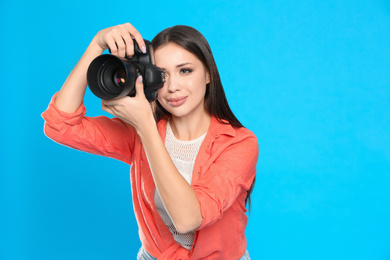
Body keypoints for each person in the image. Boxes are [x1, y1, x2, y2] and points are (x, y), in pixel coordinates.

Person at [42, 22, 258, 260]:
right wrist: (97, 44)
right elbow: (59, 125)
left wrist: (145, 127)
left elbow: (188, 219)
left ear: (207, 73)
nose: (173, 87)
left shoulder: (239, 143)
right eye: (162, 75)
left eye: (185, 70)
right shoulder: (140, 130)